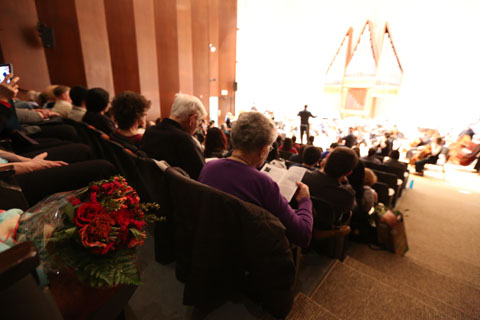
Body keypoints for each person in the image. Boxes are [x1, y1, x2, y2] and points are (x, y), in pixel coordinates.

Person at [199, 111, 313, 248]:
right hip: (248, 255)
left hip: (210, 246)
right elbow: (303, 235)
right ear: (263, 150)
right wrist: (305, 200)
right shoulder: (263, 183)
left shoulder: (209, 167)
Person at [141, 93, 207, 180]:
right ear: (192, 119)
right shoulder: (184, 140)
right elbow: (203, 175)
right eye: (199, 122)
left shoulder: (150, 131)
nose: (197, 127)